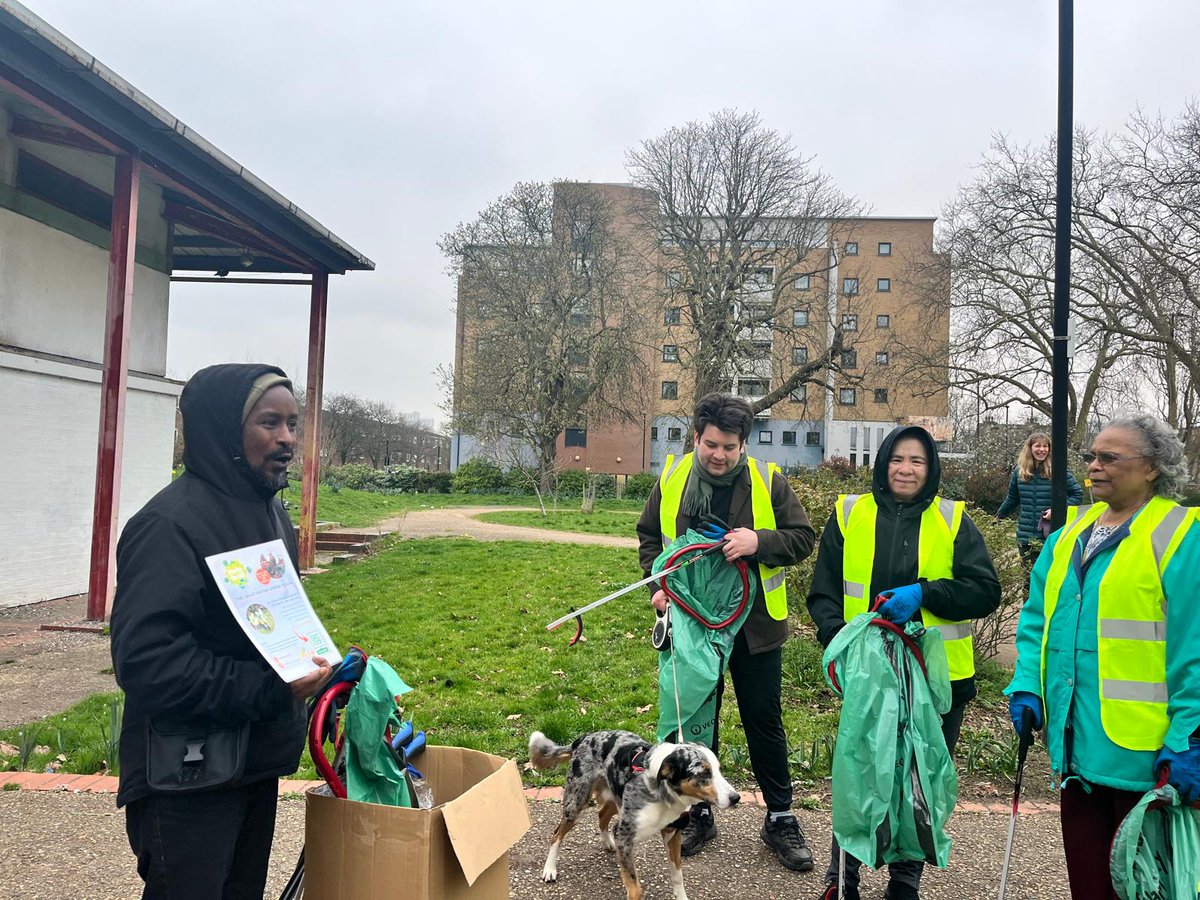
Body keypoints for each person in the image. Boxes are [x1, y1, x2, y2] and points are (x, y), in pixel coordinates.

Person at [110, 364, 332, 899]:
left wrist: (312, 663)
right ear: (221, 431)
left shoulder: (269, 511)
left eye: (291, 424)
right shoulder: (167, 527)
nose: (286, 439)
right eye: (269, 423)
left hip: (252, 760)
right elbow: (148, 663)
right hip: (186, 777)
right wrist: (270, 687)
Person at [1006, 414, 1200, 899]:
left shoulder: (1181, 536)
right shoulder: (1069, 535)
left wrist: (1190, 736)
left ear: (1153, 467)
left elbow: (1193, 648)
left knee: (1148, 887)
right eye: (1092, 456)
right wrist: (1027, 682)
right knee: (1090, 884)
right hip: (1075, 744)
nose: (1094, 466)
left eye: (1109, 458)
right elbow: (1036, 621)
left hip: (1149, 758)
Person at [806, 425, 1001, 900]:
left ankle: (905, 882)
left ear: (931, 468)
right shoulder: (849, 515)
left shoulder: (953, 520)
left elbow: (985, 591)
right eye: (897, 459)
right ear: (882, 463)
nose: (906, 469)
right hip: (868, 675)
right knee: (857, 775)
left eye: (917, 461)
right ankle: (843, 877)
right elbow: (824, 592)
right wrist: (842, 642)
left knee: (921, 782)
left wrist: (927, 593)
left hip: (938, 682)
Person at [636, 393, 817, 871]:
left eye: (730, 447)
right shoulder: (672, 478)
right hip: (692, 626)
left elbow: (802, 537)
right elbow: (650, 537)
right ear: (696, 437)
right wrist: (657, 589)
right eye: (711, 444)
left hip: (755, 628)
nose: (719, 455)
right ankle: (696, 813)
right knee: (695, 722)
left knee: (763, 721)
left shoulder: (768, 482)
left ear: (744, 445)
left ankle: (780, 817)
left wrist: (758, 541)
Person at [997, 431, 1083, 572]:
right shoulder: (1019, 472)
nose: (1041, 449)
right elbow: (1012, 499)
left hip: (1051, 535)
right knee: (1028, 579)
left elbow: (1077, 494)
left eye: (1045, 446)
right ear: (1030, 448)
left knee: (1048, 577)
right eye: (1037, 446)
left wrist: (1058, 511)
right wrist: (997, 517)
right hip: (1026, 536)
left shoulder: (1058, 471)